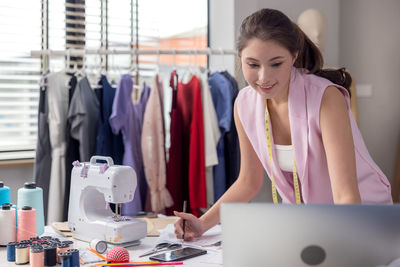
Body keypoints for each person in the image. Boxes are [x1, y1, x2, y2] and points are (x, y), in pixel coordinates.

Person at [173, 8, 392, 241]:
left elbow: (346, 195)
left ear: (294, 56)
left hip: (363, 220)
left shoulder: (326, 98)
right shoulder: (244, 105)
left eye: (276, 64)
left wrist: (340, 247)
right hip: (314, 226)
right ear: (240, 59)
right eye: (253, 65)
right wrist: (202, 224)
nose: (264, 77)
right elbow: (248, 181)